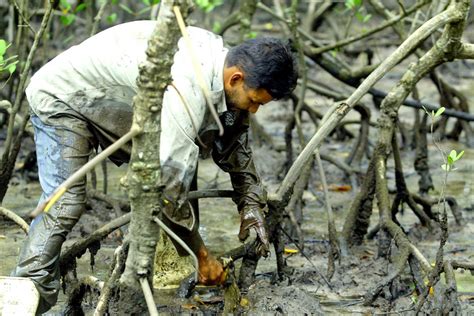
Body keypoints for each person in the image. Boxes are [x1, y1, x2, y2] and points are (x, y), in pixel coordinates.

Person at [12, 20, 298, 313]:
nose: (253, 110)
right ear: (235, 78)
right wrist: (202, 257)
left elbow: (233, 136)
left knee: (186, 152)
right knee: (67, 201)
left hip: (115, 99)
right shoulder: (187, 87)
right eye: (253, 101)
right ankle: (24, 291)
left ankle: (169, 267)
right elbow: (169, 188)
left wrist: (251, 202)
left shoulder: (220, 64)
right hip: (64, 97)